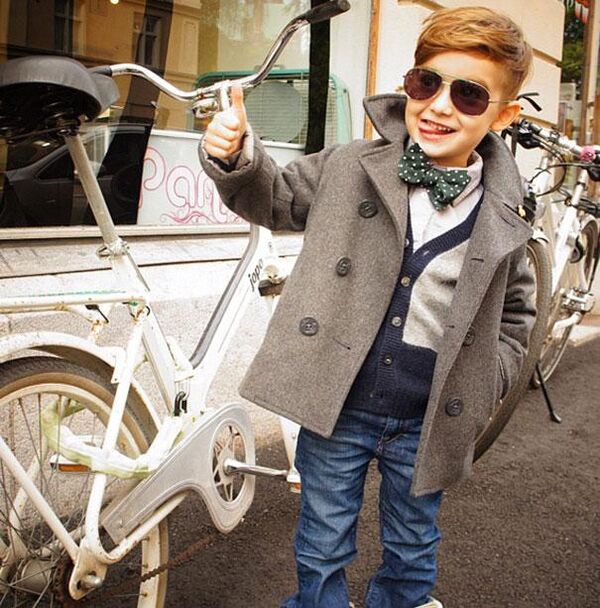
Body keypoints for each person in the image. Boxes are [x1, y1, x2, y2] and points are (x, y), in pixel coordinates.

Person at [199, 6, 535, 608]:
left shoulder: (505, 212)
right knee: (321, 541)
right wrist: (235, 154)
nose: (439, 107)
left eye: (468, 95)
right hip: (339, 402)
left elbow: (516, 315)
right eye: (426, 83)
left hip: (429, 415)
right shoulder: (351, 165)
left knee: (413, 544)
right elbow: (274, 196)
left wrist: (488, 379)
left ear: (504, 115)